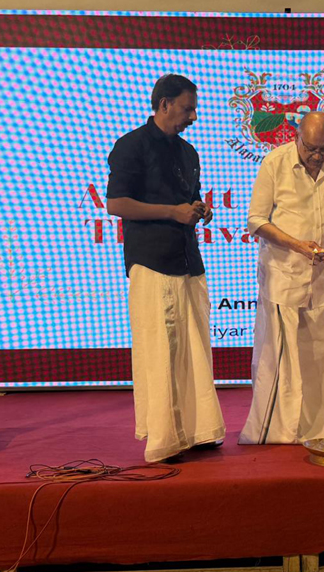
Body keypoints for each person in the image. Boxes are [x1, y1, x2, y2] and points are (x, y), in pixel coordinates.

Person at [106, 74, 225, 462]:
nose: (193, 116)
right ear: (164, 104)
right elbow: (116, 203)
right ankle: (165, 438)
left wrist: (198, 209)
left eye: (194, 109)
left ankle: (199, 429)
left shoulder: (189, 152)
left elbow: (189, 198)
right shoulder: (131, 146)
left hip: (188, 260)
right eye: (188, 108)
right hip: (152, 262)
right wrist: (172, 212)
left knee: (194, 348)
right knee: (161, 350)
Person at [239, 112, 324, 444]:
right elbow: (256, 220)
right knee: (281, 359)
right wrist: (297, 245)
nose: (317, 156)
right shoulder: (275, 162)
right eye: (311, 148)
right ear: (296, 137)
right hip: (284, 274)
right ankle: (279, 431)